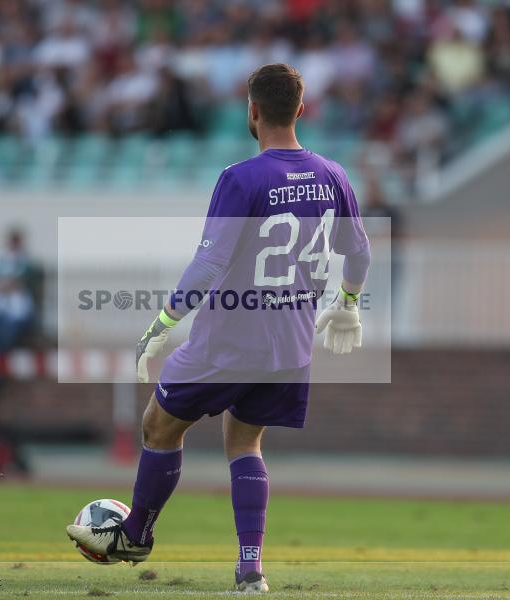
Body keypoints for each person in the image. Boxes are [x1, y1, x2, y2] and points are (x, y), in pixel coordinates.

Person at [66, 64, 371, 593]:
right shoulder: (334, 176)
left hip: (229, 340)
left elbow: (208, 267)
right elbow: (360, 252)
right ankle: (250, 568)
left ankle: (135, 533)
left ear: (251, 111)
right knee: (244, 442)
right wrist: (347, 303)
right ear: (300, 109)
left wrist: (163, 322)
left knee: (159, 426)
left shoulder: (241, 179)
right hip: (291, 348)